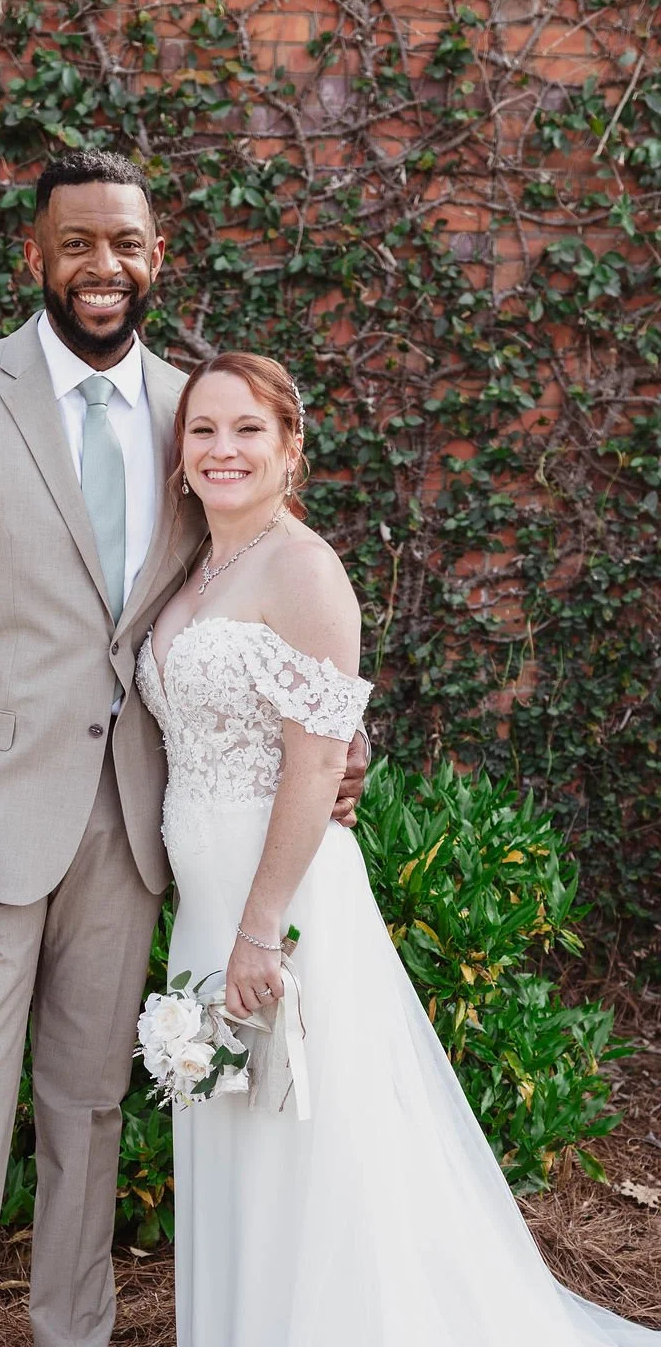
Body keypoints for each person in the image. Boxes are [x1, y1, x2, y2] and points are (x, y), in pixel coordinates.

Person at [0, 150, 371, 1347]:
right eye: (79, 244)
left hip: (139, 828)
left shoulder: (191, 412)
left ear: (158, 259)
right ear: (34, 258)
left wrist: (338, 741)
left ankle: (74, 1333)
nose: (105, 268)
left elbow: (269, 589)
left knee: (90, 1109)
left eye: (127, 246)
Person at [134, 350, 659, 1347]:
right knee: (237, 1128)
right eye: (202, 430)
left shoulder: (304, 572)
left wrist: (260, 929)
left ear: (291, 447)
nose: (222, 449)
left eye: (247, 429)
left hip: (279, 909)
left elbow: (312, 762)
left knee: (311, 1139)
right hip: (203, 908)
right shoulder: (190, 567)